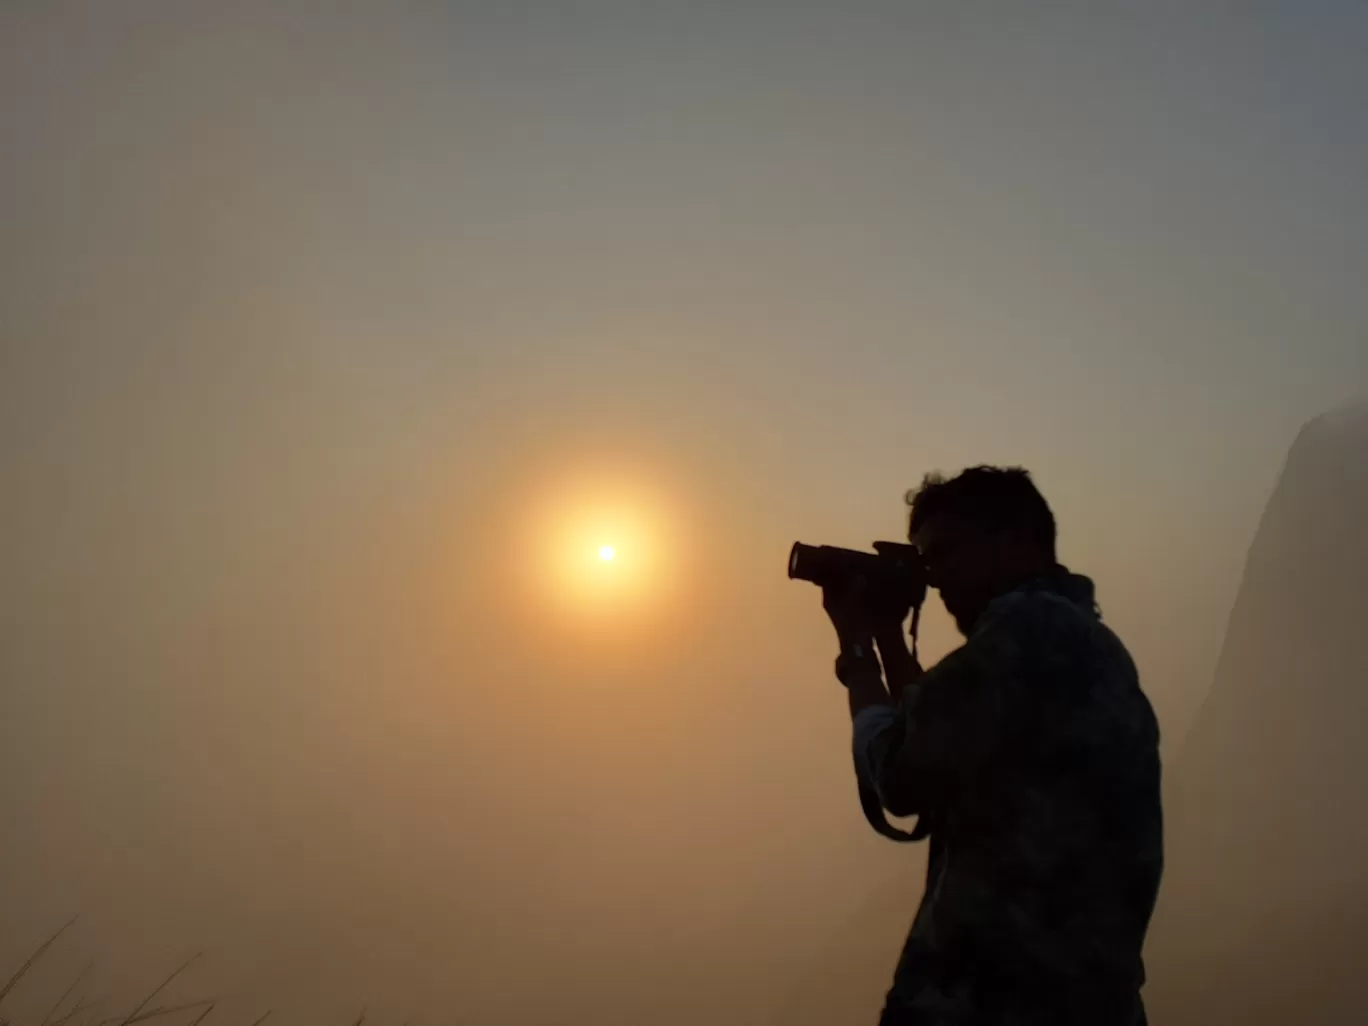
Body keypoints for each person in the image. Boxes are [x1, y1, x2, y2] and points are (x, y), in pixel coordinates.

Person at [822, 465, 1163, 1025]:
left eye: (945, 554)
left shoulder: (1026, 628)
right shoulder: (1082, 641)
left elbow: (900, 775)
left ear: (1017, 542)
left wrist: (856, 653)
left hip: (997, 1002)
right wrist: (887, 633)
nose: (934, 580)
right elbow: (940, 737)